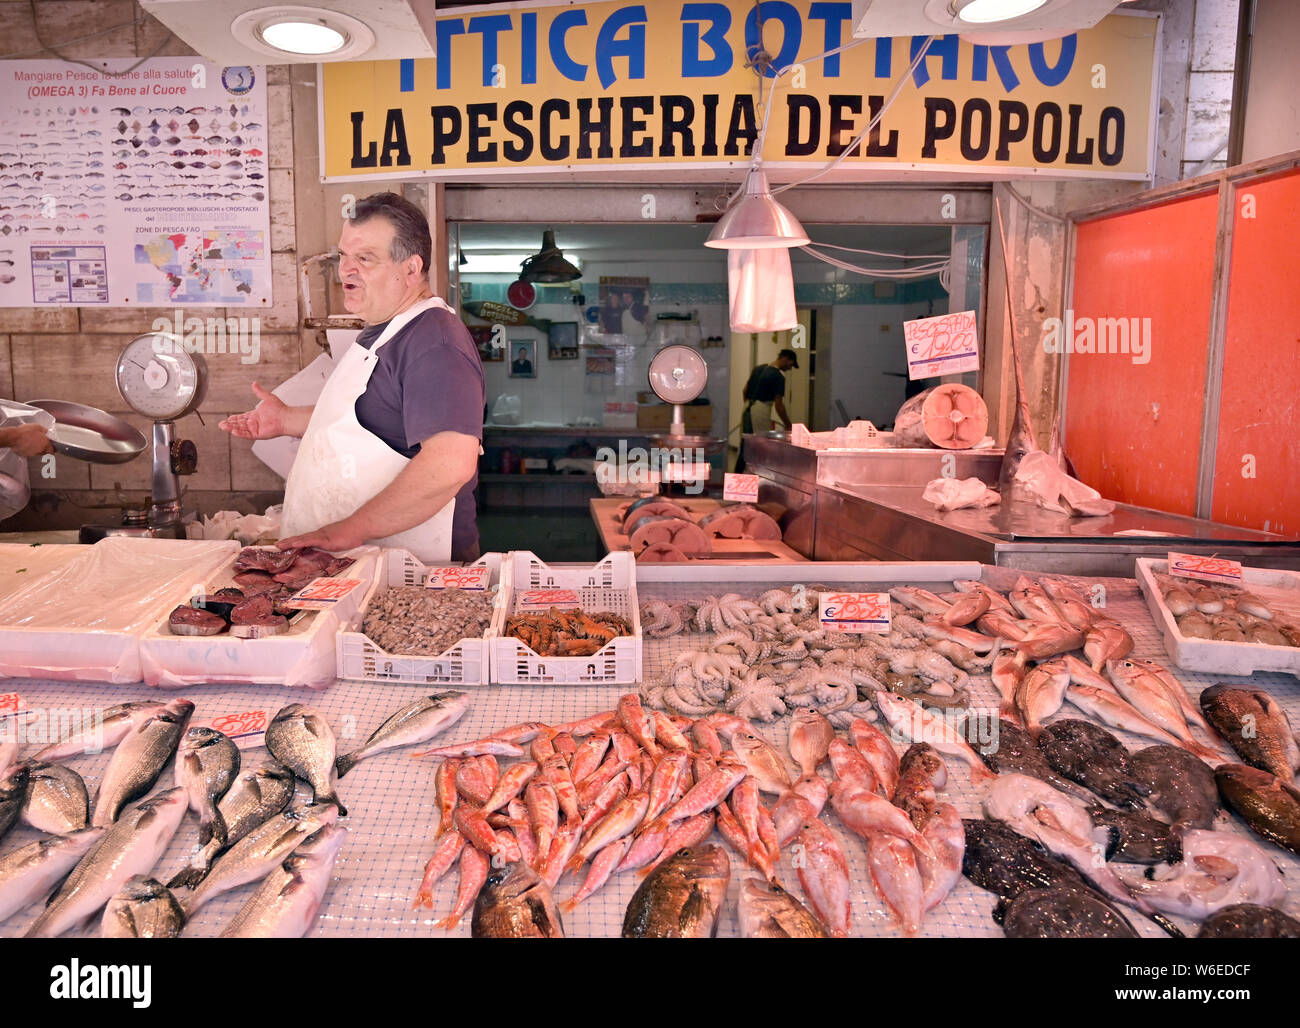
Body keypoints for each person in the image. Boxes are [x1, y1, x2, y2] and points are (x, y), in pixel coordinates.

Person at [220, 192, 485, 562]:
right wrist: (286, 419)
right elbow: (369, 419)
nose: (345, 270)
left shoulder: (434, 343)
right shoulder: (383, 330)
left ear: (410, 269)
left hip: (414, 572)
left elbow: (449, 465)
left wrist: (345, 530)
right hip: (360, 563)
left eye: (365, 258)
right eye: (343, 255)